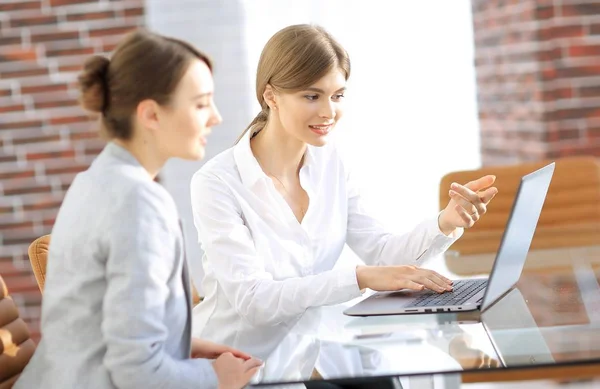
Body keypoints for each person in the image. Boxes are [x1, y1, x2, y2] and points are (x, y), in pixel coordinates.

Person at [189, 24, 497, 384]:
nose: (328, 111)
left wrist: (446, 221)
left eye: (337, 96)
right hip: (236, 370)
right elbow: (254, 300)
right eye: (311, 96)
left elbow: (383, 254)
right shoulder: (217, 183)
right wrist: (359, 277)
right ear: (270, 95)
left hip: (311, 356)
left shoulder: (332, 164)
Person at [15, 29, 261, 389]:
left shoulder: (94, 181)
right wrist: (213, 379)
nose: (216, 117)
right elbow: (136, 374)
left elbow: (102, 327)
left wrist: (180, 346)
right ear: (151, 114)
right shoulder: (138, 204)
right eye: (201, 103)